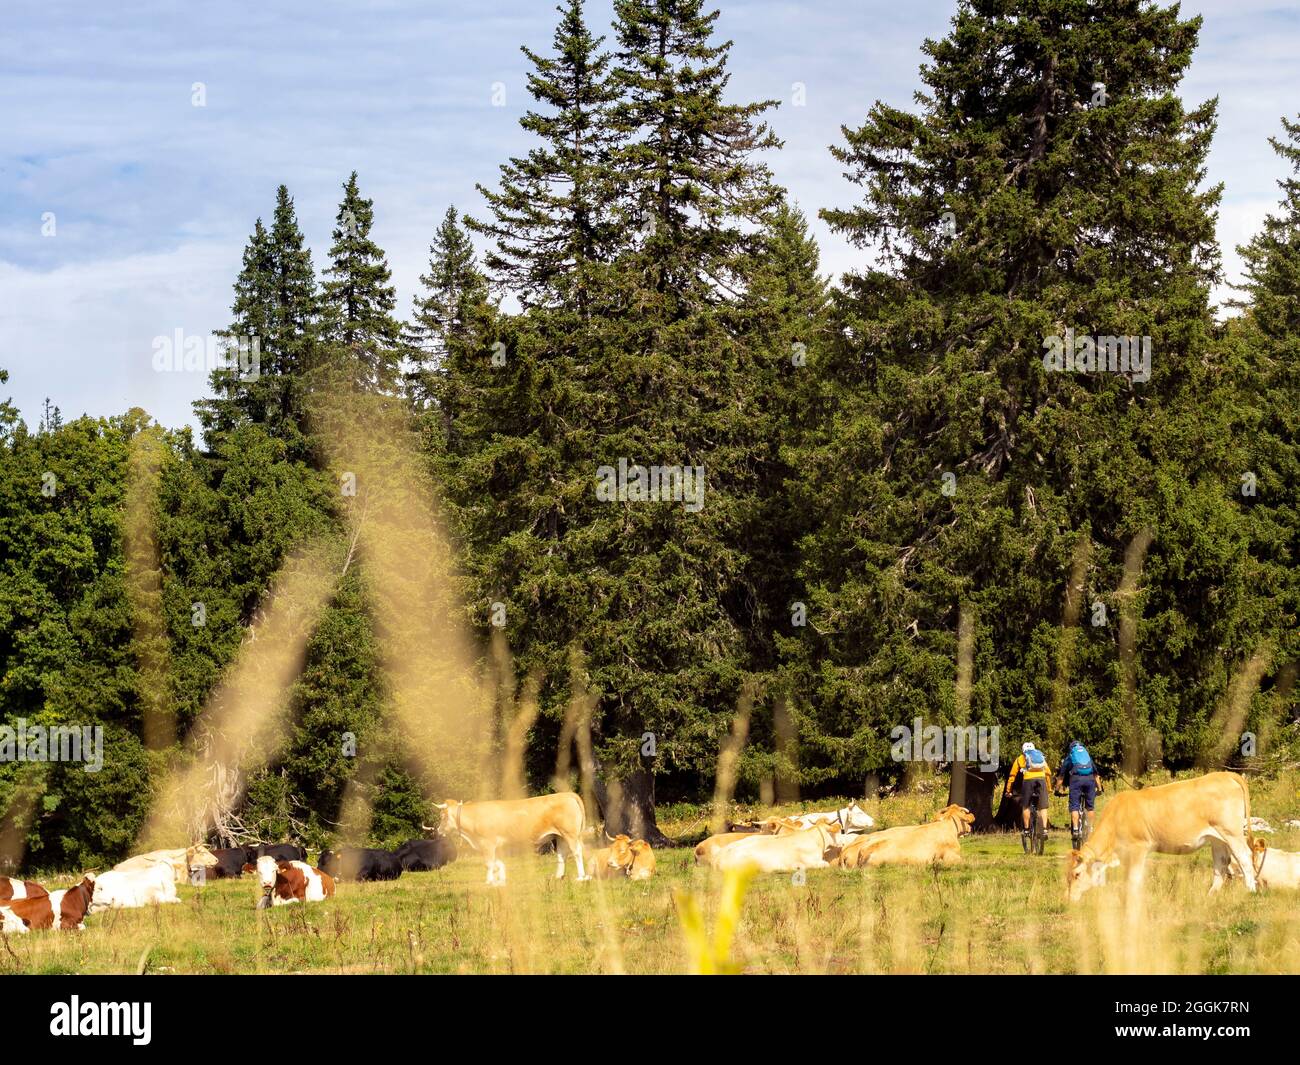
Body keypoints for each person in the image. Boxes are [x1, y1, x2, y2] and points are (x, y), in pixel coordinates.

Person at [1005, 741, 1050, 850]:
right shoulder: (1040, 755)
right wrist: (1049, 788)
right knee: (1043, 807)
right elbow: (1048, 772)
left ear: (1023, 750)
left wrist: (1008, 791)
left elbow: (1012, 775)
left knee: (1026, 806)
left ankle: (1026, 830)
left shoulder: (1021, 758)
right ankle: (1044, 829)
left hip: (1028, 780)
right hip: (1041, 780)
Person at [1055, 739, 1100, 850]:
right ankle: (1090, 829)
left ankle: (1075, 829)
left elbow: (1061, 776)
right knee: (1090, 808)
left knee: (1075, 806)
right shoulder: (1087, 756)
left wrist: (1057, 789)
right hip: (1089, 780)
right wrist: (1099, 788)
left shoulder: (1071, 756)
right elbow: (1096, 774)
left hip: (1076, 780)